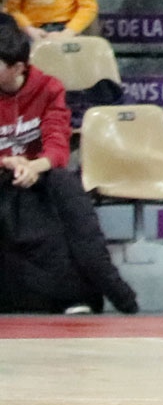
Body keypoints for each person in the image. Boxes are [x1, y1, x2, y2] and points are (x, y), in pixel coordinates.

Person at [0, 17, 137, 314]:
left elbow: (57, 144)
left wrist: (34, 166)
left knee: (65, 188)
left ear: (17, 68)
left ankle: (104, 295)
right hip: (3, 177)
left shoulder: (48, 89)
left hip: (39, 177)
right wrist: (8, 162)